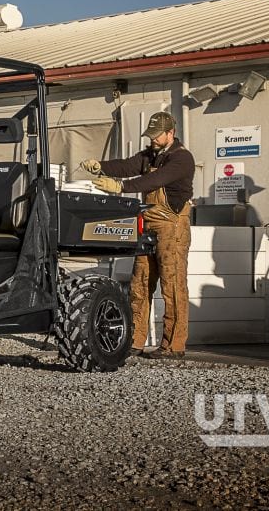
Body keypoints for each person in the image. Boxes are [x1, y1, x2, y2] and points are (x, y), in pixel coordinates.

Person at [79, 111, 195, 359]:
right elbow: (127, 165)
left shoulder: (181, 159)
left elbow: (154, 180)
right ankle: (134, 340)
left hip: (172, 227)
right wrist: (102, 167)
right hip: (149, 224)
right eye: (150, 135)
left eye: (156, 135)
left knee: (172, 285)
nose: (152, 140)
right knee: (140, 284)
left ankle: (173, 345)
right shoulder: (151, 155)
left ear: (170, 133)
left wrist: (121, 187)